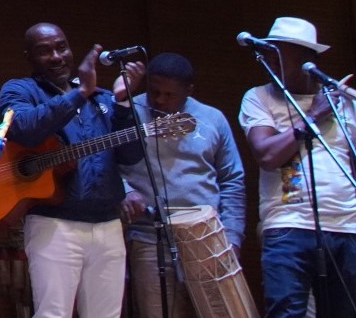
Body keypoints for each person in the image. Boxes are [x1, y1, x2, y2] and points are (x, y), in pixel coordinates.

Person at [0, 23, 144, 318]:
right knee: (53, 313)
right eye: (44, 51)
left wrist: (122, 102)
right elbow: (23, 130)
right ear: (29, 56)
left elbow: (131, 155)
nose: (56, 56)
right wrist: (79, 95)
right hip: (54, 222)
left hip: (108, 224)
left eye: (61, 47)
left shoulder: (102, 98)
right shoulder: (20, 90)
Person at [238, 16, 356, 317]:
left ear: (306, 59)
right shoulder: (259, 97)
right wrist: (313, 117)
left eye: (279, 53)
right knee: (286, 312)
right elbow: (266, 155)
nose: (268, 59)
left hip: (346, 225)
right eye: (268, 51)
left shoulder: (342, 101)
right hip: (288, 224)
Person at [119, 52, 245, 318]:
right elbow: (105, 164)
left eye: (169, 95)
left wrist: (233, 237)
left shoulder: (213, 118)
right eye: (154, 92)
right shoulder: (127, 113)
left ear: (189, 91)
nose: (160, 101)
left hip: (208, 237)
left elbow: (232, 180)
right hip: (149, 237)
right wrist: (126, 190)